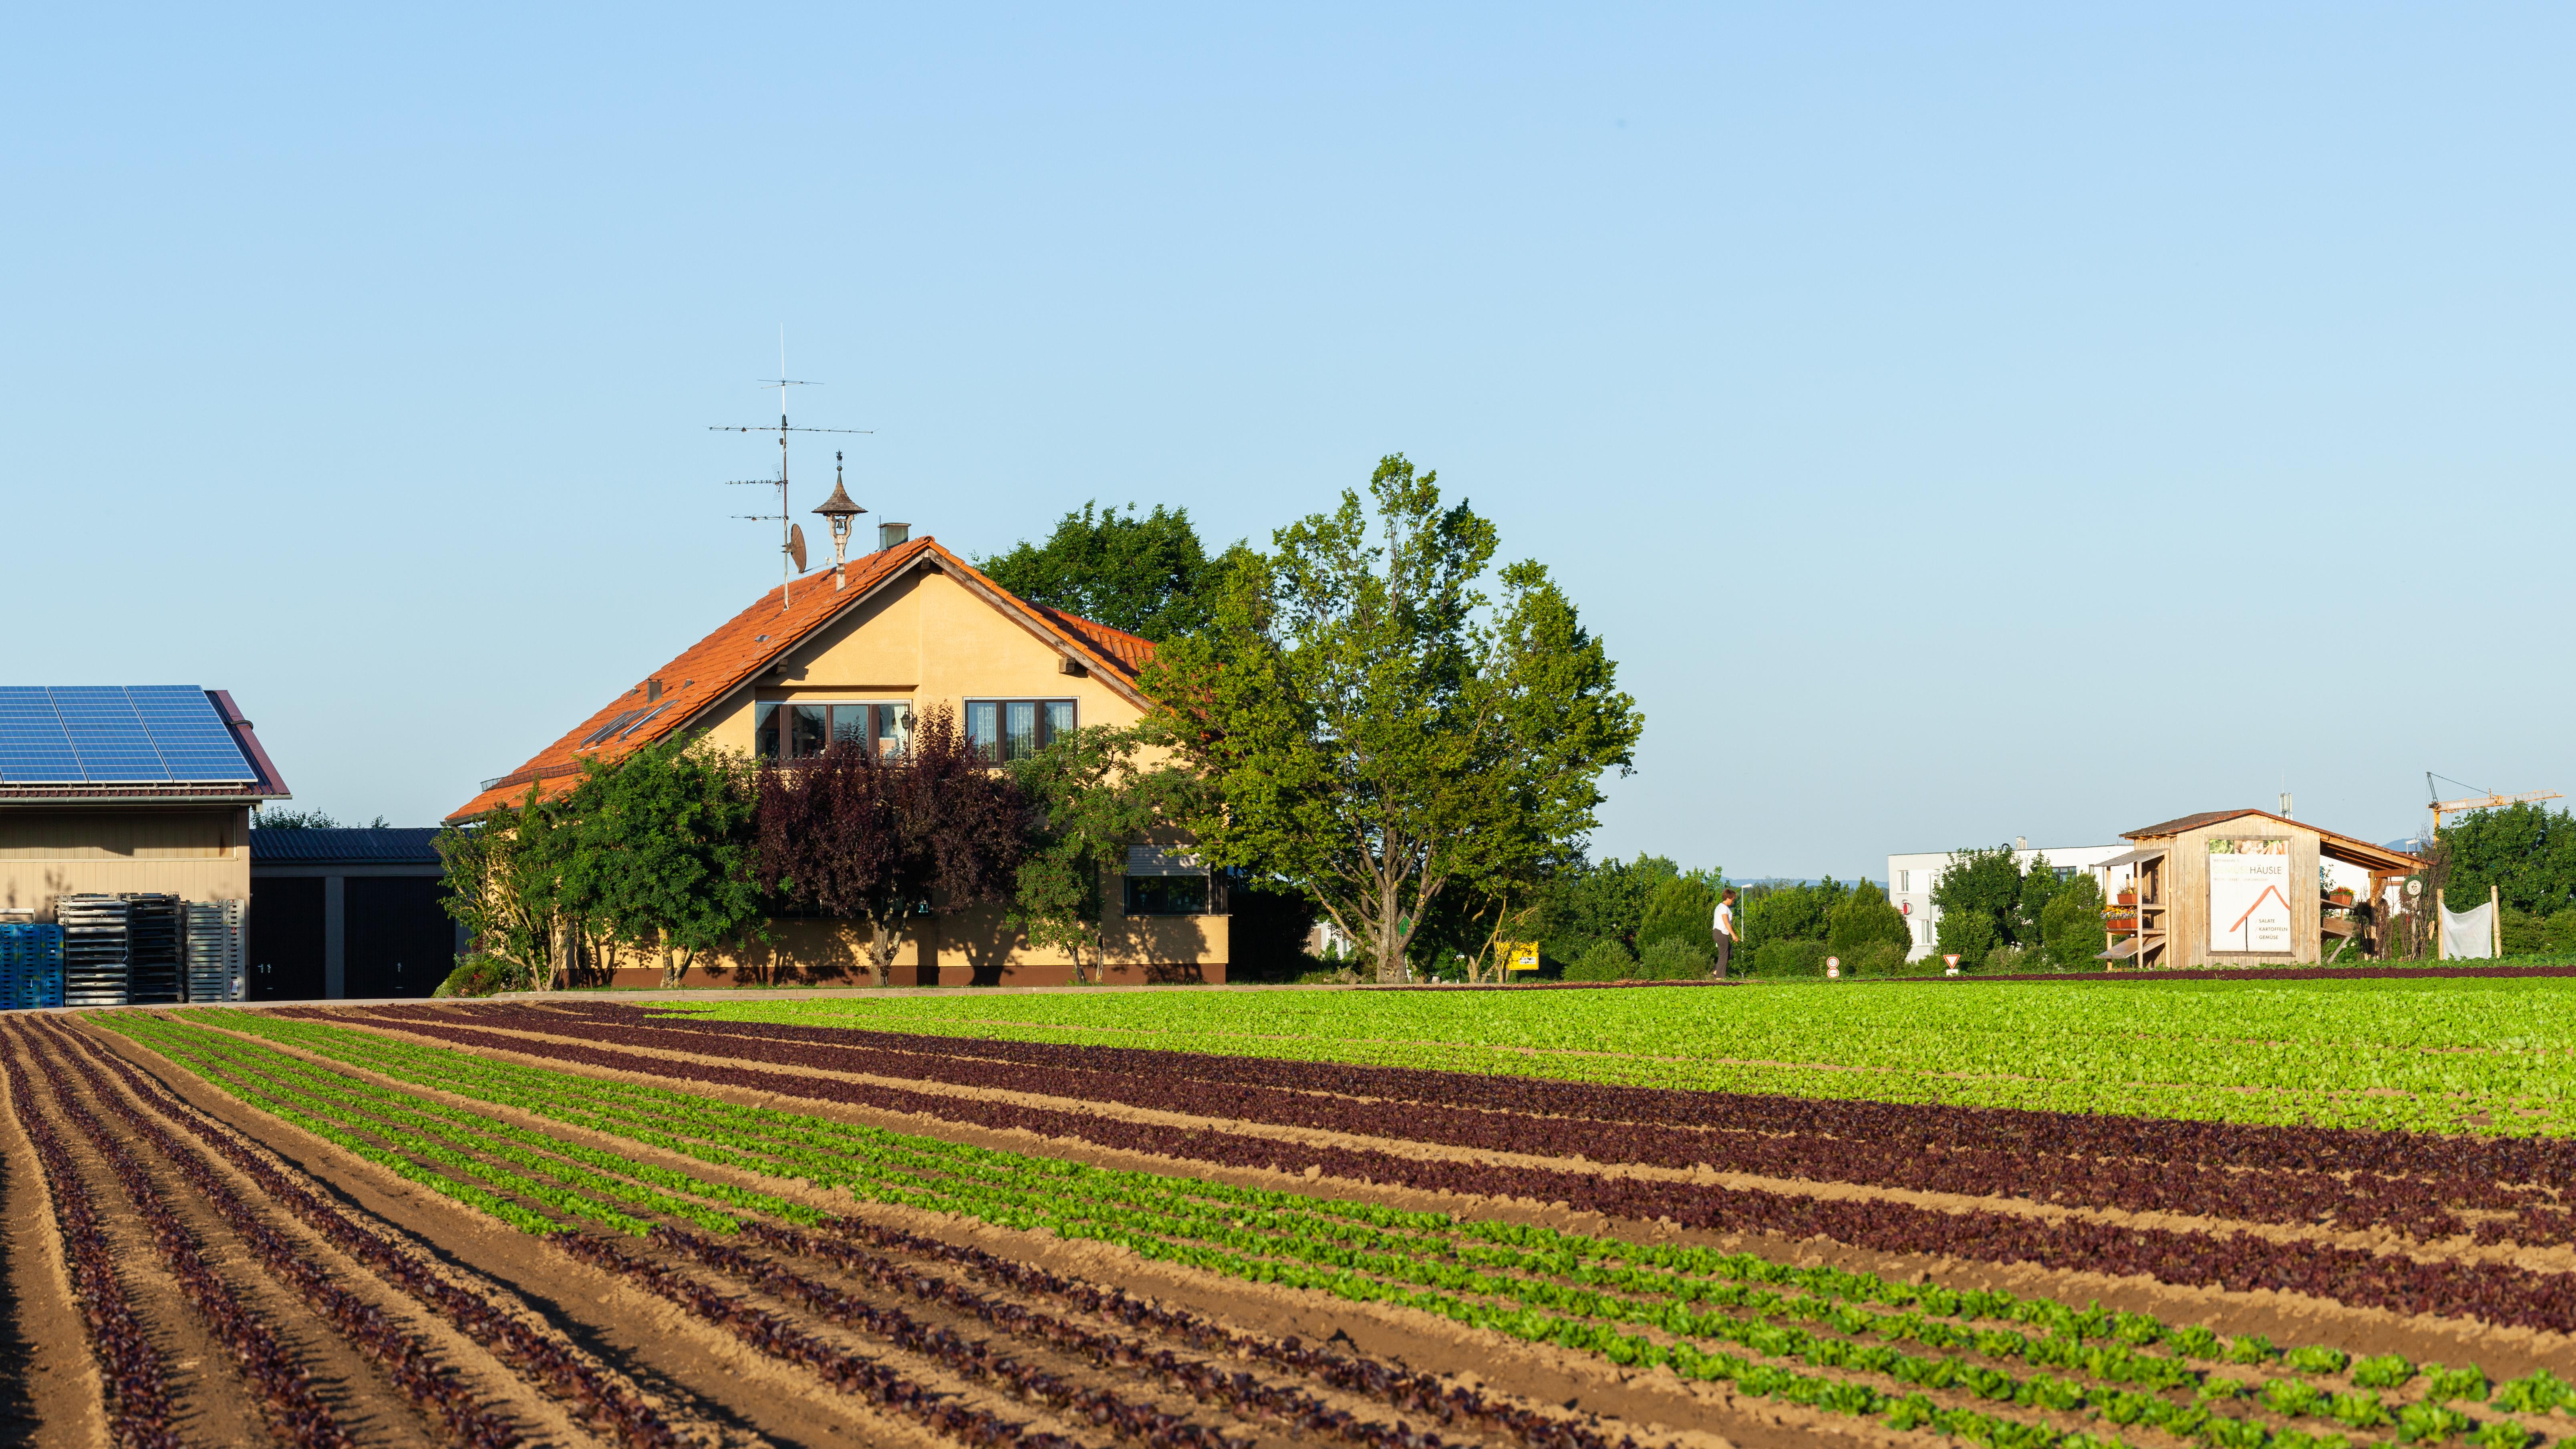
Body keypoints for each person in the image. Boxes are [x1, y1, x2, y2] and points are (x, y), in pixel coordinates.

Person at [1710, 889, 1737, 979]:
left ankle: (1717, 971)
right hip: (1721, 933)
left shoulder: (1721, 907)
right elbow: (1726, 923)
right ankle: (1720, 977)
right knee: (1724, 954)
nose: (1733, 902)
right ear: (1728, 898)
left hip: (1720, 933)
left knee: (1729, 952)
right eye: (1732, 900)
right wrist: (1733, 935)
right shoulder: (1723, 908)